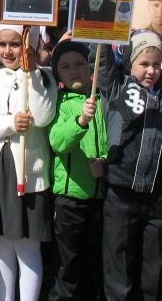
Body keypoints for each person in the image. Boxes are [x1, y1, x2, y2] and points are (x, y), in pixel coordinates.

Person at [0, 24, 57, 301]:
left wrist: (31, 73)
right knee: (1, 246)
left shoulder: (44, 78)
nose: (8, 51)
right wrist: (10, 123)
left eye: (15, 44)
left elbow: (43, 117)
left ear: (29, 46)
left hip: (28, 175)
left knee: (27, 248)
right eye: (3, 44)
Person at [96, 31, 162, 300]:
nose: (151, 71)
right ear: (130, 63)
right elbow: (101, 61)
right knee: (119, 270)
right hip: (121, 194)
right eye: (144, 64)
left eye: (156, 64)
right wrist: (101, 28)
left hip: (158, 198)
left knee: (153, 272)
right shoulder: (117, 87)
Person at [47, 38, 107, 301]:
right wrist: (81, 120)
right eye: (66, 67)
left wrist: (104, 162)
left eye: (80, 64)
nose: (74, 71)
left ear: (90, 67)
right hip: (69, 200)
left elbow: (110, 141)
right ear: (58, 73)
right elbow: (58, 142)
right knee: (67, 265)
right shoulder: (58, 103)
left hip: (101, 199)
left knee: (96, 265)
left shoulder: (103, 100)